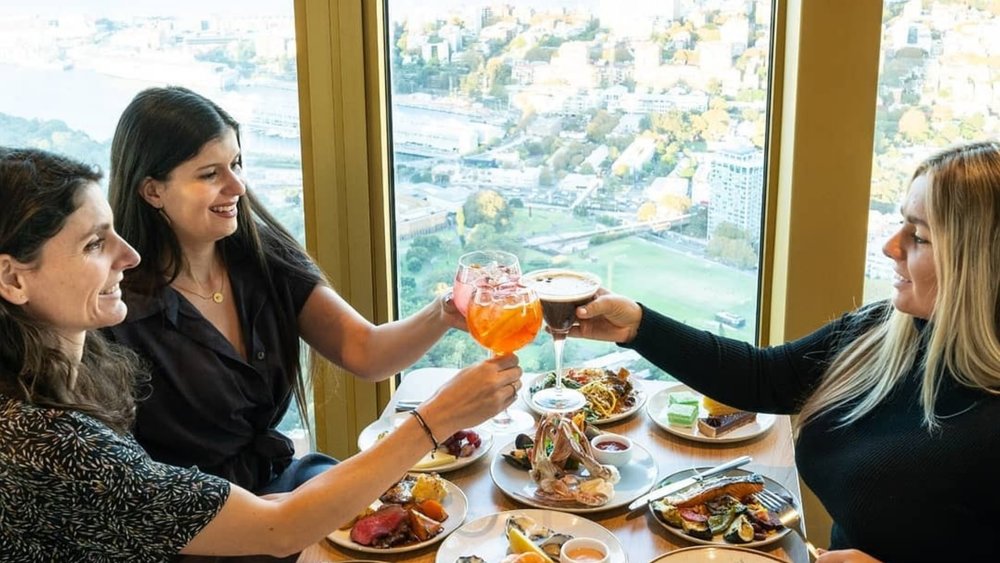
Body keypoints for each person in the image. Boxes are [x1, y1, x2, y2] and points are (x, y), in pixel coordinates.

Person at [0, 147, 522, 560]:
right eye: (94, 244)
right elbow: (277, 529)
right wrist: (438, 418)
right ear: (12, 278)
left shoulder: (78, 371)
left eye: (237, 163)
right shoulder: (52, 445)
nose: (127, 255)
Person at [571, 140, 1000, 563]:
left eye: (919, 236)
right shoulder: (885, 330)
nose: (891, 246)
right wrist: (639, 327)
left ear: (981, 262)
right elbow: (767, 378)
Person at [105, 86, 480, 494]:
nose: (238, 186)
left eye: (236, 163)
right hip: (198, 525)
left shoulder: (260, 254)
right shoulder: (114, 310)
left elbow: (365, 351)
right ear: (152, 190)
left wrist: (443, 311)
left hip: (283, 486)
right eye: (210, 174)